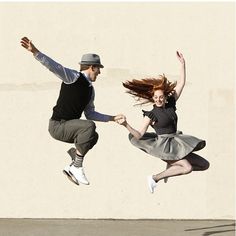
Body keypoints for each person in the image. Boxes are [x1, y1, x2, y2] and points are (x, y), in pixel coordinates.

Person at [20, 36, 123, 186]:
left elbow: (91, 114)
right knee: (88, 127)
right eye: (98, 69)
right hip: (57, 126)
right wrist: (35, 52)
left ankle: (74, 161)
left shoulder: (90, 90)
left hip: (69, 127)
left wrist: (112, 118)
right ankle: (77, 167)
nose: (99, 73)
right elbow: (54, 66)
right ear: (92, 67)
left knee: (93, 136)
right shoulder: (73, 77)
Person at [118, 51, 209, 193]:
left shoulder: (171, 104)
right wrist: (126, 125)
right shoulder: (151, 115)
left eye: (161, 97)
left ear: (165, 97)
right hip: (164, 147)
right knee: (187, 167)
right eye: (155, 97)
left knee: (204, 165)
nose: (158, 100)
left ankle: (172, 168)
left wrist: (183, 64)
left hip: (177, 143)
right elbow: (139, 134)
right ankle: (155, 178)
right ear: (152, 98)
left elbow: (181, 83)